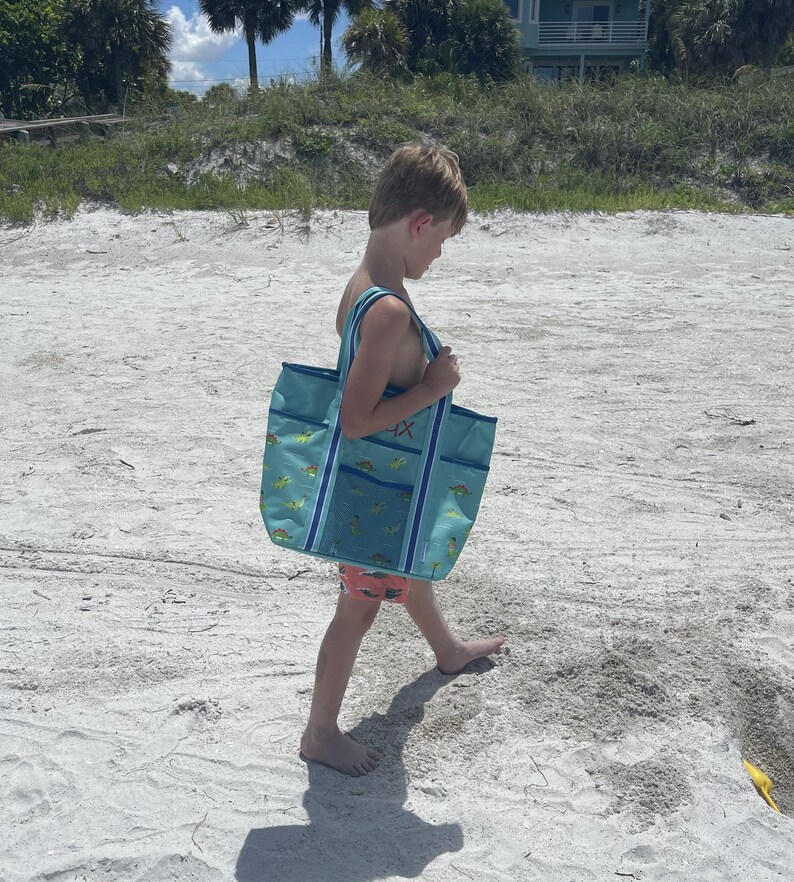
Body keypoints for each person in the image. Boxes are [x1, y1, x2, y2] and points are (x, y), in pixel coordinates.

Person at [299, 144, 505, 777]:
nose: (439, 254)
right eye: (441, 240)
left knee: (412, 569)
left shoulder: (363, 289)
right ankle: (320, 731)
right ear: (420, 223)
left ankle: (445, 648)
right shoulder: (388, 310)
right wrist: (432, 388)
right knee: (357, 608)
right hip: (373, 492)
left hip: (382, 487)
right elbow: (358, 418)